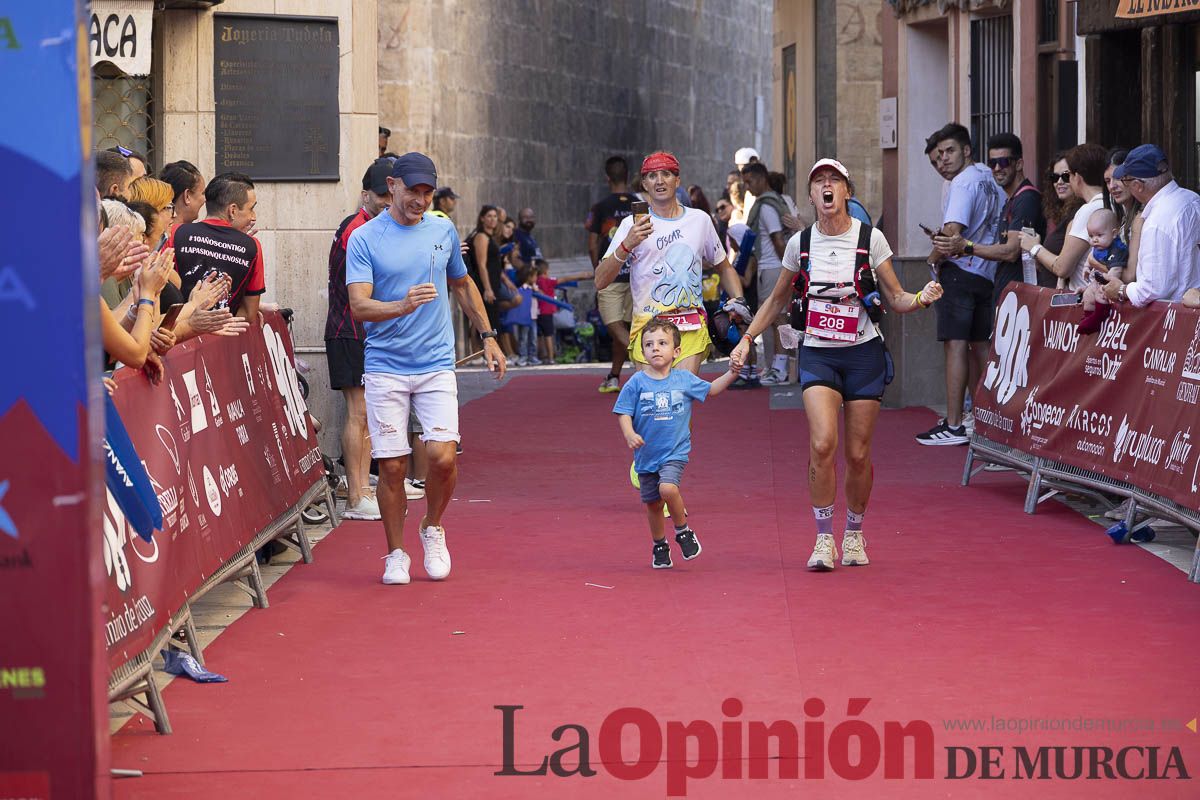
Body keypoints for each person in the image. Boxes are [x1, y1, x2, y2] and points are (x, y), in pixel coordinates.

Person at [731, 158, 943, 571]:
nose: (826, 188)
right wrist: (747, 339)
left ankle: (855, 534)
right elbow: (776, 300)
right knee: (822, 443)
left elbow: (895, 297)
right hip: (818, 351)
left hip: (863, 353)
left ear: (847, 191)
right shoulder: (800, 243)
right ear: (811, 196)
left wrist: (920, 299)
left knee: (858, 454)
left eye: (834, 181)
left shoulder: (871, 238)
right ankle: (823, 538)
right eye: (819, 183)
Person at [346, 152, 506, 585]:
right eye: (413, 190)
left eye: (427, 191)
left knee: (442, 458)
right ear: (393, 186)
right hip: (385, 366)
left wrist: (488, 337)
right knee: (393, 467)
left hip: (436, 363)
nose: (420, 199)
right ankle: (395, 553)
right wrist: (402, 305)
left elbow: (461, 283)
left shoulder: (442, 228)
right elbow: (359, 305)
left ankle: (432, 526)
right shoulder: (364, 238)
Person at [594, 151, 747, 377]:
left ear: (677, 180)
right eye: (652, 176)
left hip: (690, 325)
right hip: (648, 328)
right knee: (655, 403)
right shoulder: (630, 226)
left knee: (680, 398)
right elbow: (600, 280)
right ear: (644, 184)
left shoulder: (700, 220)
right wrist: (627, 244)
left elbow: (723, 266)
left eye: (666, 174)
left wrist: (737, 300)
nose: (659, 180)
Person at [614, 318, 737, 568]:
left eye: (662, 343)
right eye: (649, 345)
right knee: (653, 504)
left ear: (676, 351)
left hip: (674, 452)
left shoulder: (683, 380)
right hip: (646, 456)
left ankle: (683, 531)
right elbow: (623, 411)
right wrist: (628, 433)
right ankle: (659, 544)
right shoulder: (636, 382)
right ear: (642, 352)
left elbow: (711, 390)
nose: (655, 348)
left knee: (667, 489)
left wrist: (732, 372)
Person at [915, 123, 1003, 447]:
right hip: (985, 271)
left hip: (962, 269)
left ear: (967, 149)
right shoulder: (987, 177)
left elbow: (952, 231)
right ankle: (984, 420)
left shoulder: (963, 182)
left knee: (955, 344)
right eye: (937, 157)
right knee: (978, 346)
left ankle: (953, 425)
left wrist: (932, 258)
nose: (943, 161)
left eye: (949, 152)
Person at [326, 159, 394, 521]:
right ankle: (356, 494)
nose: (388, 201)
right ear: (365, 193)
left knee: (367, 415)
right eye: (382, 195)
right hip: (349, 331)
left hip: (365, 332)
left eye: (392, 193)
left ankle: (363, 485)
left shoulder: (373, 227)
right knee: (359, 413)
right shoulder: (358, 230)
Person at [933, 132, 1045, 307]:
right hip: (1006, 293)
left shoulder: (1026, 199)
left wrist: (966, 247)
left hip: (1021, 299)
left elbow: (1011, 251)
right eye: (993, 163)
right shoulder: (1011, 199)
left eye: (1004, 162)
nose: (997, 168)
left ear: (1019, 164)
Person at [1102, 144, 1200, 307]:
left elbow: (1152, 289)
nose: (1122, 185)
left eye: (1126, 180)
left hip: (1176, 322)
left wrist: (1121, 290)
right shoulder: (1192, 198)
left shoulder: (1156, 222)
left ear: (1138, 186)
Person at [169, 172, 265, 322]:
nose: (253, 217)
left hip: (174, 335)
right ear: (232, 210)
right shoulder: (252, 247)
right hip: (221, 341)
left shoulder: (175, 232)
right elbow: (248, 314)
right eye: (251, 209)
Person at [1020, 143, 1107, 293]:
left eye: (1068, 176)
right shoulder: (1112, 203)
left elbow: (1062, 268)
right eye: (1055, 177)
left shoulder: (1087, 210)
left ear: (1077, 178)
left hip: (1083, 298)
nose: (1061, 182)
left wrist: (1034, 247)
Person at [740, 162, 791, 385]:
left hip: (773, 268)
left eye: (750, 181)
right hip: (772, 267)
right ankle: (777, 366)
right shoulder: (780, 201)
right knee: (774, 317)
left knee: (776, 318)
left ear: (762, 178)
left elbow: (778, 240)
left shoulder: (767, 206)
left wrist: (789, 270)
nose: (748, 187)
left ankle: (780, 368)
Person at [588, 156, 636, 392]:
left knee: (613, 324)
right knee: (623, 325)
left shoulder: (601, 207)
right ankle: (614, 375)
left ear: (607, 178)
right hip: (635, 274)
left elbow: (592, 242)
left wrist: (598, 270)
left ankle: (642, 362)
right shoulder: (639, 204)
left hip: (611, 272)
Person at [1078, 207, 1128, 333]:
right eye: (1091, 236)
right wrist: (1086, 268)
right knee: (1088, 294)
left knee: (1100, 294)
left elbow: (1116, 271)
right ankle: (1088, 317)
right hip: (1099, 280)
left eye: (1099, 235)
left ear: (1114, 233)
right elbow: (1090, 258)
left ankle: (1099, 316)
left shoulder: (1117, 249)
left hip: (1110, 284)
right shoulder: (1098, 246)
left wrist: (1105, 283)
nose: (1094, 239)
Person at [160, 160, 207, 226]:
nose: (205, 199)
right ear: (187, 196)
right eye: (203, 193)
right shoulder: (191, 235)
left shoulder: (156, 233)